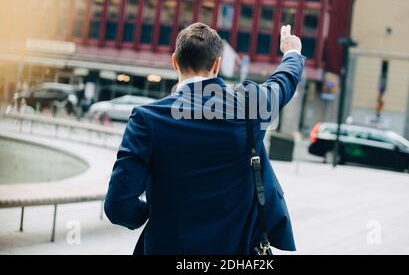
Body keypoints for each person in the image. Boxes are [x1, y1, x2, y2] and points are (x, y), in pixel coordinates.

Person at [104, 22, 305, 254]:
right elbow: (283, 82)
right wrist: (291, 51)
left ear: (174, 62)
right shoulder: (249, 106)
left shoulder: (146, 119)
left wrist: (154, 214)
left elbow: (118, 206)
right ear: (217, 65)